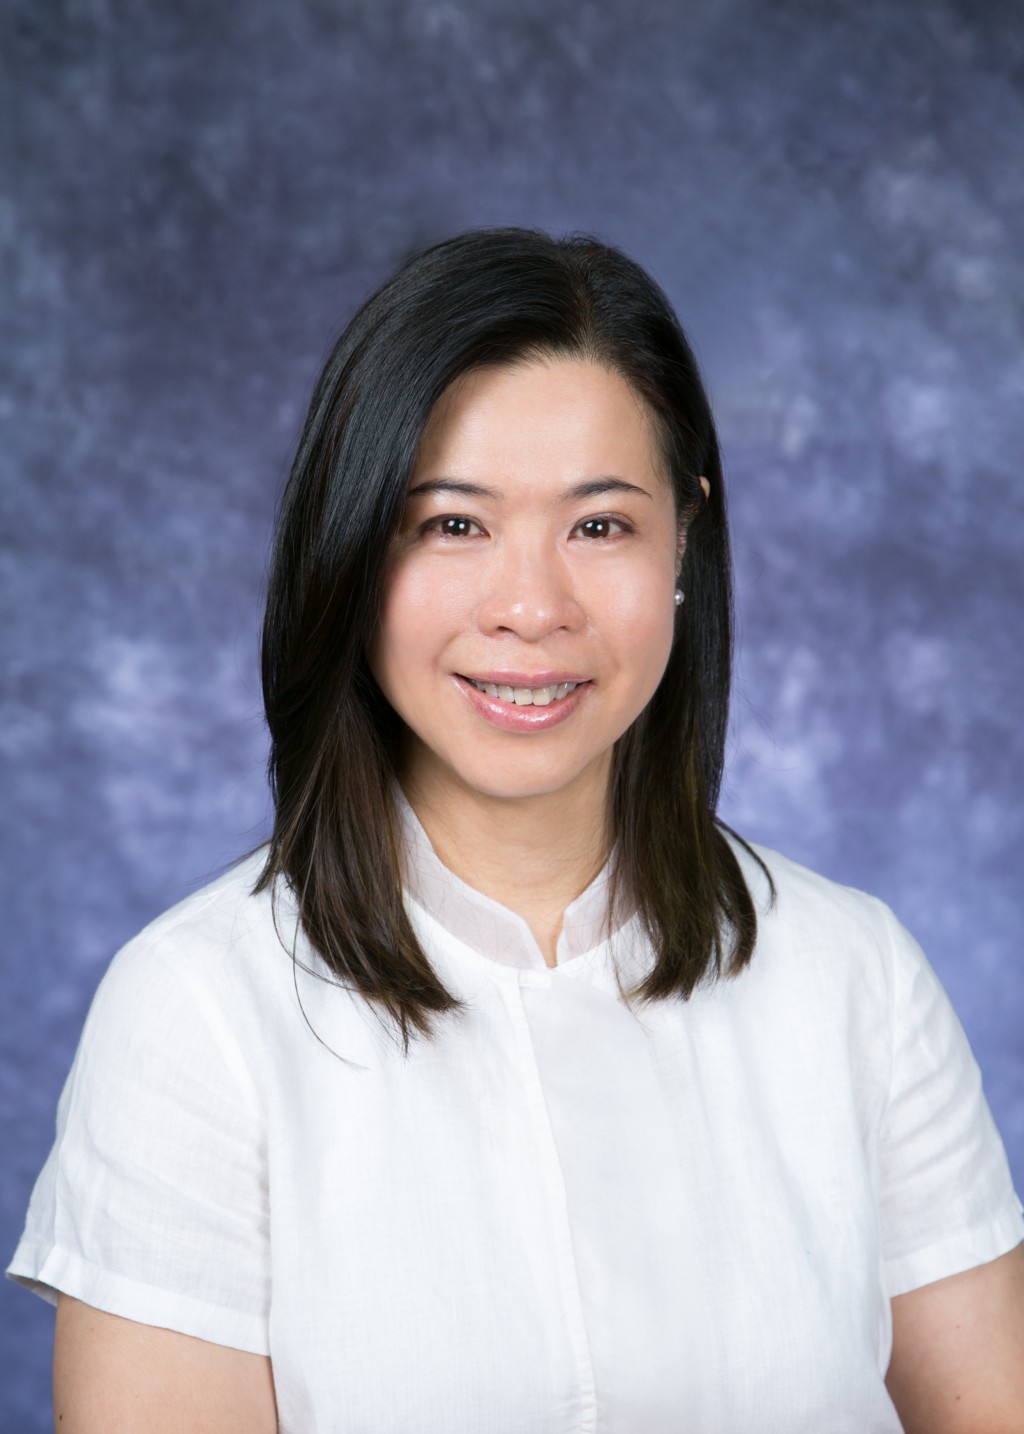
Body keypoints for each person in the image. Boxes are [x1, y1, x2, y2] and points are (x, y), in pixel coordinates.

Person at [7, 227, 1023, 1433]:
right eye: (452, 524)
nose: (531, 608)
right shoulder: (196, 1013)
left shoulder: (857, 978)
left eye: (599, 526)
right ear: (352, 546)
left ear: (685, 537)